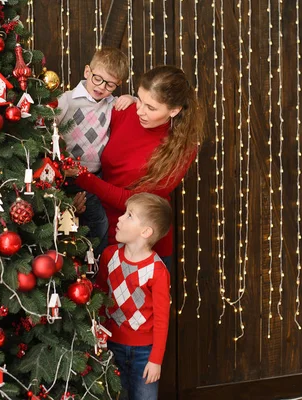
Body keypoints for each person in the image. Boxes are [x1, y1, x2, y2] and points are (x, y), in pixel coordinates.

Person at [66, 65, 205, 269]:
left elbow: (135, 201)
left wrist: (83, 177)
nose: (140, 110)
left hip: (142, 244)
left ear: (174, 111)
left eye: (151, 107)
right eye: (139, 98)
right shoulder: (127, 111)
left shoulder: (182, 149)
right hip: (100, 230)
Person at [55, 47, 135, 257]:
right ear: (87, 72)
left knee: (99, 223)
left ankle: (94, 264)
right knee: (63, 223)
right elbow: (49, 124)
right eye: (97, 79)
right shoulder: (67, 100)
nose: (101, 87)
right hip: (64, 174)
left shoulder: (111, 105)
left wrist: (131, 99)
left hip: (92, 176)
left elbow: (135, 104)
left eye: (110, 84)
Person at [95, 193, 172, 400]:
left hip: (144, 354)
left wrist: (156, 360)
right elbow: (101, 296)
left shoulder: (157, 271)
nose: (119, 219)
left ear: (146, 232)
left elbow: (162, 319)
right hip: (111, 346)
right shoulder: (109, 256)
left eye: (129, 215)